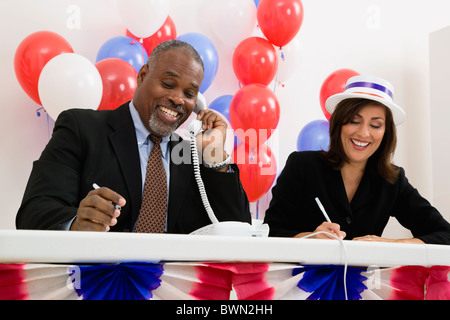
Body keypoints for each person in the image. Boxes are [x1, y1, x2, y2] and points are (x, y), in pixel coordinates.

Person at [16, 40, 251, 233]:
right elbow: (34, 211)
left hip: (171, 286)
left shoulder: (193, 155)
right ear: (142, 76)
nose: (178, 99)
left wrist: (215, 157)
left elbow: (239, 231)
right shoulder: (81, 128)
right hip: (98, 282)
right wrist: (76, 223)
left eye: (189, 93)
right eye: (168, 84)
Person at [264, 75, 450, 244]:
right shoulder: (302, 166)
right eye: (354, 121)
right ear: (339, 123)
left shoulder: (392, 180)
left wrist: (390, 245)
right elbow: (271, 231)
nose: (363, 133)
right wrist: (310, 237)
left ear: (386, 133)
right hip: (301, 278)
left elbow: (444, 234)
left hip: (366, 281)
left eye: (375, 125)